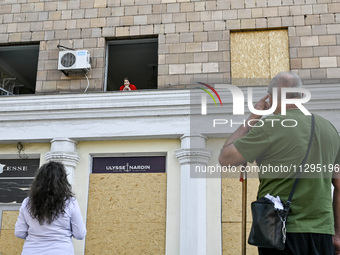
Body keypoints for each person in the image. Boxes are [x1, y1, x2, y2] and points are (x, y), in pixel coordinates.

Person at [218, 72, 340, 255]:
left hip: (279, 232)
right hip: (322, 233)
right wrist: (337, 234)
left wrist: (254, 115)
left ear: (271, 96)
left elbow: (225, 158)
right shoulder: (329, 129)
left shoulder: (271, 126)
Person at [15, 161, 86, 255]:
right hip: (61, 251)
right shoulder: (70, 202)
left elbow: (19, 232)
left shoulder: (27, 202)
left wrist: (37, 236)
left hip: (31, 251)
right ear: (63, 181)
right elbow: (80, 234)